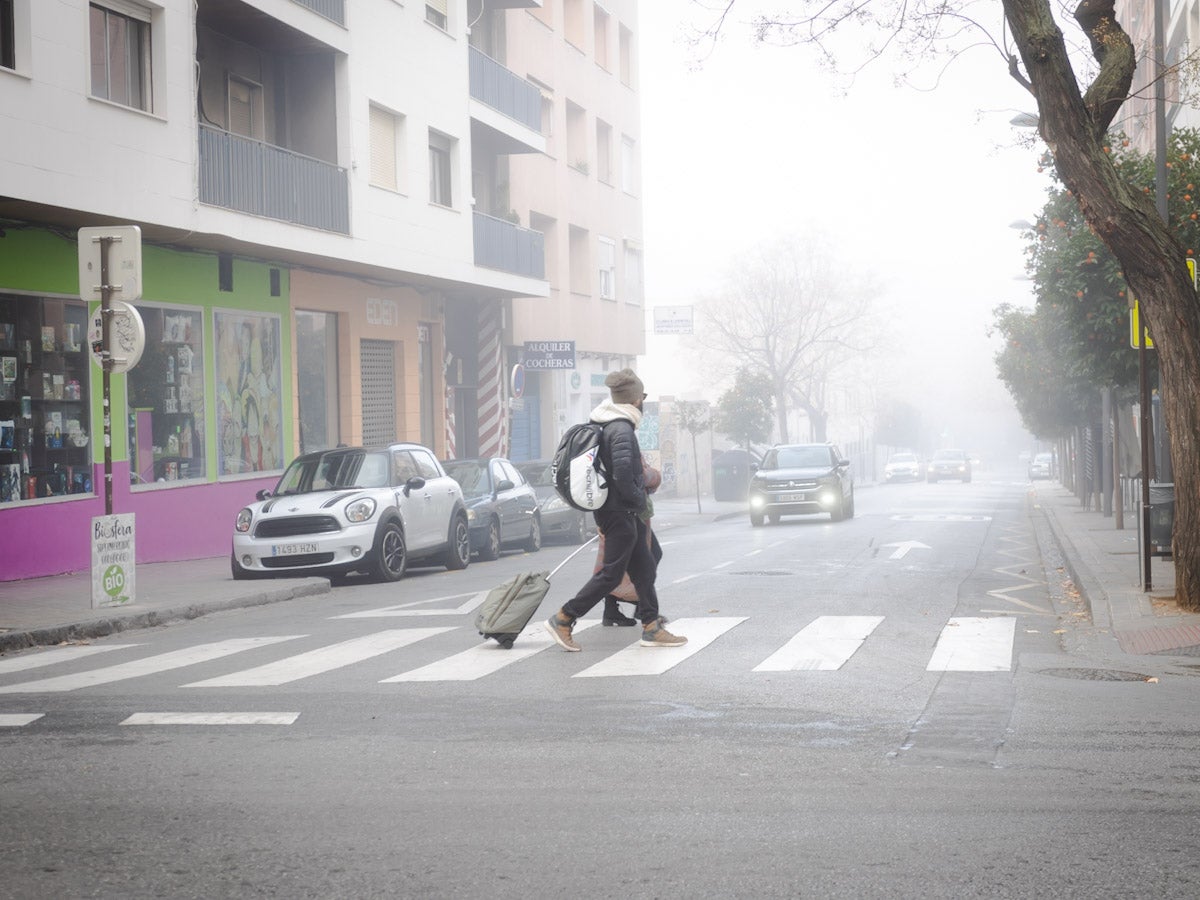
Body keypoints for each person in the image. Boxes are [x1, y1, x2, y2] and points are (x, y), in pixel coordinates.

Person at [544, 369, 686, 651]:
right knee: (610, 574)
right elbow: (622, 474)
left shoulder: (611, 424)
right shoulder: (620, 428)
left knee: (644, 567)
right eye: (642, 397)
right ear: (635, 401)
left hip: (621, 512)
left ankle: (651, 626)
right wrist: (638, 500)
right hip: (619, 513)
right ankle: (564, 617)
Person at [601, 461, 662, 626]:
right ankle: (644, 608)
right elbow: (633, 476)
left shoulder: (617, 439)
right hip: (626, 512)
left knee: (620, 563)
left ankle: (615, 609)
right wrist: (654, 475)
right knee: (647, 558)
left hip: (622, 511)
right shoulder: (622, 437)